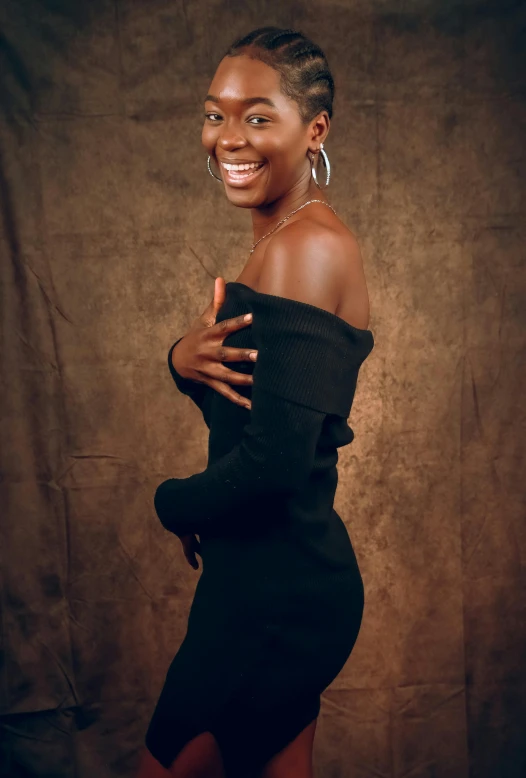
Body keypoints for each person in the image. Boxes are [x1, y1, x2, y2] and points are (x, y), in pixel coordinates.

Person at [136, 26, 374, 778]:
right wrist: (181, 359)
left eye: (259, 116)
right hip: (261, 579)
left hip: (277, 594)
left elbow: (272, 463)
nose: (228, 138)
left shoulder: (306, 248)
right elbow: (244, 392)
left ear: (316, 130)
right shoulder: (280, 244)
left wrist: (172, 502)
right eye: (216, 114)